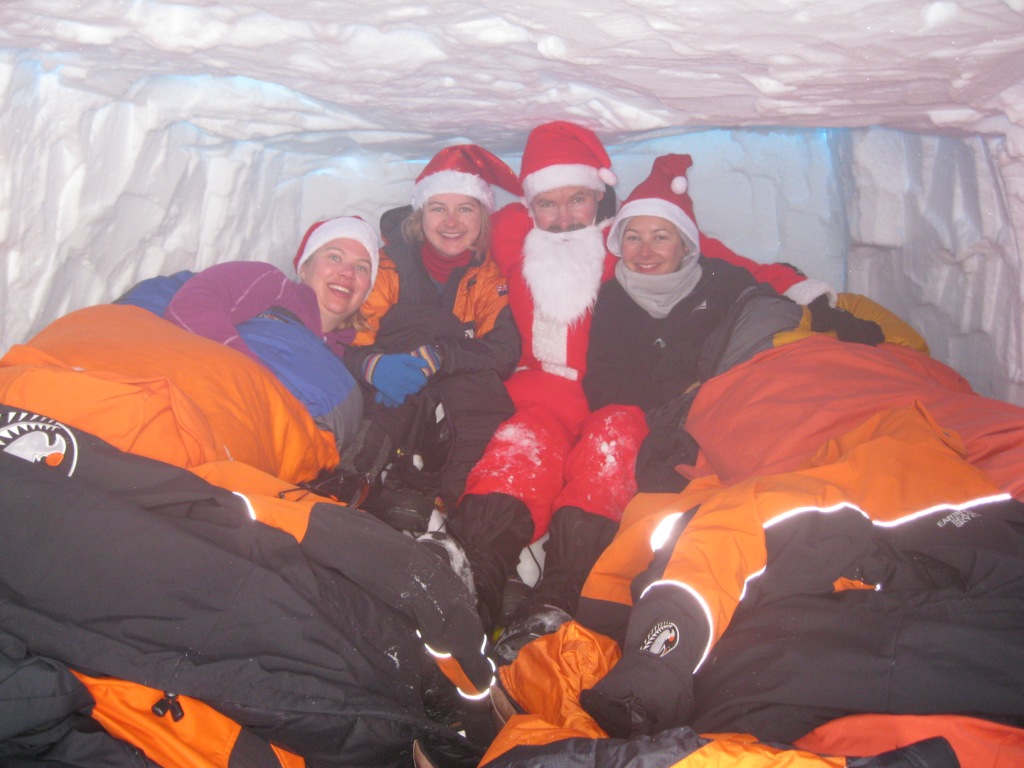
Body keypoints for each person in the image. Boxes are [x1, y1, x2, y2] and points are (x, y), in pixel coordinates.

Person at [449, 123, 885, 657]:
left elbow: (719, 258)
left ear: (599, 198)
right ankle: (474, 584)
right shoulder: (515, 235)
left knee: (614, 444)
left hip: (611, 395)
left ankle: (562, 592)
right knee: (521, 443)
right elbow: (450, 224)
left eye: (578, 200)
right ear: (529, 205)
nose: (563, 219)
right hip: (536, 391)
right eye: (548, 204)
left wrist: (809, 296)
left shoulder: (624, 243)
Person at [340, 144, 523, 530]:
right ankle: (357, 480)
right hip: (397, 400)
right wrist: (375, 366)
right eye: (439, 208)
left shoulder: (489, 279)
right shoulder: (389, 267)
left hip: (455, 407)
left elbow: (503, 351)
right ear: (421, 215)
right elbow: (349, 339)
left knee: (476, 382)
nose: (451, 221)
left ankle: (451, 506)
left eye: (466, 208)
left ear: (482, 218)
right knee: (416, 326)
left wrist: (443, 355)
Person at [118, 215, 379, 455]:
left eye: (361, 268)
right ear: (304, 267)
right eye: (334, 257)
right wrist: (255, 383)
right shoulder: (272, 285)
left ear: (367, 289)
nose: (347, 273)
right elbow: (194, 305)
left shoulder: (336, 359)